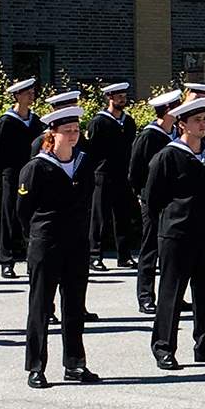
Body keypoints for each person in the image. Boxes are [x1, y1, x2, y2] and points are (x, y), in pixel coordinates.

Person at [145, 97, 205, 369]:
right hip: (176, 234)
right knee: (171, 292)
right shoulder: (167, 156)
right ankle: (163, 347)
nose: (202, 124)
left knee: (203, 293)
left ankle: (204, 343)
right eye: (196, 120)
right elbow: (152, 199)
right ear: (182, 124)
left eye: (204, 119)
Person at [19, 106, 98, 388]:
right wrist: (37, 239)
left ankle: (75, 364)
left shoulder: (84, 163)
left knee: (74, 305)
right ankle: (36, 366)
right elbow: (23, 211)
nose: (74, 136)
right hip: (46, 243)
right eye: (67, 131)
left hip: (76, 243)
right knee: (41, 305)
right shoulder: (36, 167)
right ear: (53, 134)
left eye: (76, 130)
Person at [127, 90, 182, 313]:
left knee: (172, 250)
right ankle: (146, 296)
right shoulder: (149, 136)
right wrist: (142, 195)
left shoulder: (176, 134)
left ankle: (172, 293)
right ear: (167, 110)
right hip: (152, 199)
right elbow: (135, 170)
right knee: (150, 248)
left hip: (172, 200)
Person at [0, 78, 43, 279]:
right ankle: (7, 260)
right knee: (9, 216)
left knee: (31, 217)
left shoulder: (36, 121)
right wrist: (7, 171)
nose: (32, 96)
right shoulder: (5, 122)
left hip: (31, 174)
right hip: (12, 174)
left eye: (33, 92)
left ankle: (32, 259)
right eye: (27, 93)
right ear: (17, 96)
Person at [83, 82, 136, 273]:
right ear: (110, 98)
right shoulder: (99, 122)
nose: (122, 99)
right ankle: (94, 255)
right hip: (103, 174)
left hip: (122, 174)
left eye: (124, 95)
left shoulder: (128, 122)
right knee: (100, 217)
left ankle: (124, 256)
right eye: (118, 96)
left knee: (123, 216)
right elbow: (92, 151)